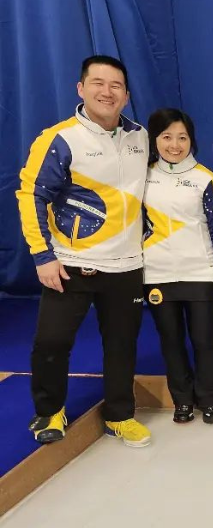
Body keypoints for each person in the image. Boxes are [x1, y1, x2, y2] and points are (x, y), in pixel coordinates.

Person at [16, 55, 151, 448]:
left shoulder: (140, 137)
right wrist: (43, 255)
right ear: (81, 89)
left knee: (122, 345)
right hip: (72, 264)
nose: (106, 92)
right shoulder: (59, 138)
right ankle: (49, 411)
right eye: (98, 83)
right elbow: (31, 195)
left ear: (125, 95)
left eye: (115, 86)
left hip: (127, 264)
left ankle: (120, 415)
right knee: (52, 343)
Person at [142, 108, 213, 424]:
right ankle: (182, 400)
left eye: (182, 137)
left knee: (204, 340)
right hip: (156, 273)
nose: (175, 144)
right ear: (155, 140)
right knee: (170, 340)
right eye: (167, 137)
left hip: (200, 272)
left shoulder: (205, 179)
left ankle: (210, 400)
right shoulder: (141, 178)